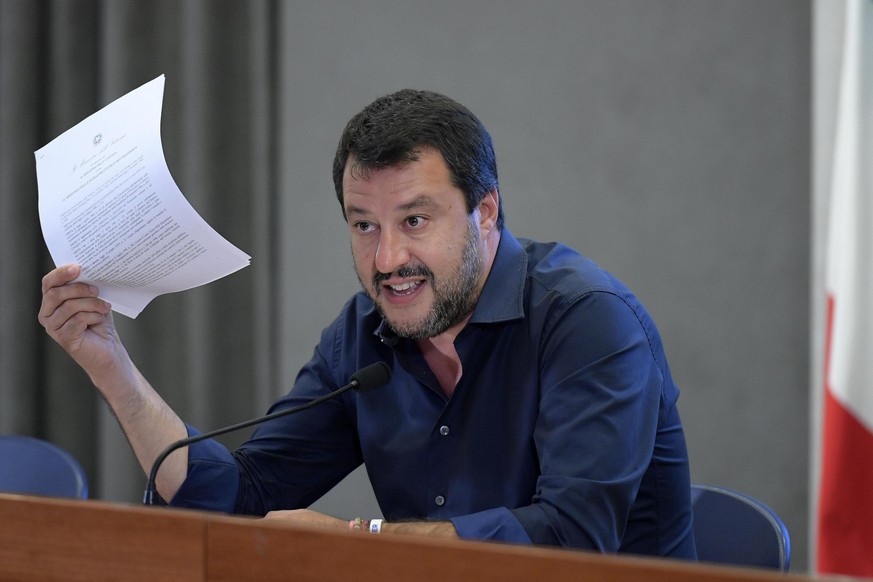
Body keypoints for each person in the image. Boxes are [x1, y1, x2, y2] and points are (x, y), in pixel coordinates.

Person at [39, 89, 697, 558]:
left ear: (485, 213)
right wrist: (111, 365)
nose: (387, 261)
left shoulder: (588, 322)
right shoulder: (365, 333)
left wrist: (358, 544)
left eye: (414, 221)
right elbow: (236, 501)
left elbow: (573, 540)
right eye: (363, 225)